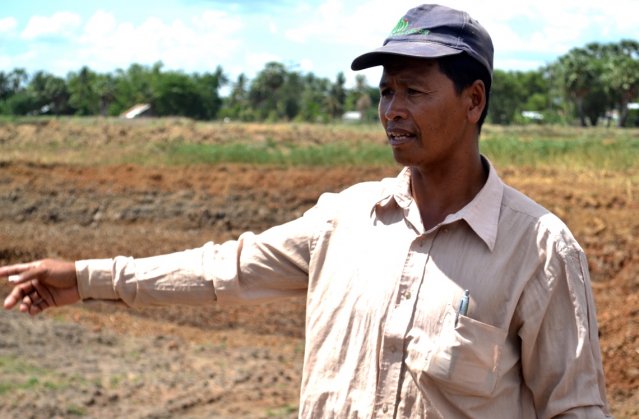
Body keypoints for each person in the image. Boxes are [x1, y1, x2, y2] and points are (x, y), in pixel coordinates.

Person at [1, 4, 611, 418]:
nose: (392, 110)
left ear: (473, 100)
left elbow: (575, 408)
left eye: (413, 91)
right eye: (386, 91)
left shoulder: (540, 250)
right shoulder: (343, 221)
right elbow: (223, 271)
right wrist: (83, 278)